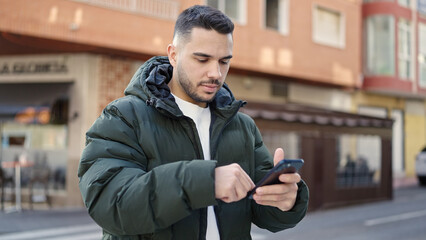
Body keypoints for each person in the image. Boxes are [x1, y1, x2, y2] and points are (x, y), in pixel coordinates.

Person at [78, 5, 309, 240]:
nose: (216, 73)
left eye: (224, 61)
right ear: (173, 55)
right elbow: (109, 203)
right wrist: (205, 182)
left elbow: (263, 213)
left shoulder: (242, 126)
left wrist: (287, 200)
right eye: (203, 59)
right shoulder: (124, 116)